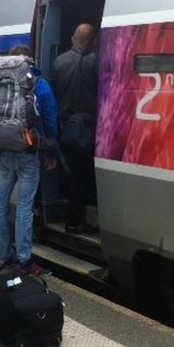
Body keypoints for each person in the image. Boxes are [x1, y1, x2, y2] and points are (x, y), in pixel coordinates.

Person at [0, 45, 58, 277]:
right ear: (29, 60)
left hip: (3, 149)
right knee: (24, 205)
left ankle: (4, 255)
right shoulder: (38, 84)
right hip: (29, 151)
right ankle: (24, 260)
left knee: (0, 203)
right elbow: (50, 117)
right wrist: (51, 150)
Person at [50, 23, 99, 234]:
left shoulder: (58, 62)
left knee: (71, 175)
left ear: (72, 39)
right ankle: (74, 222)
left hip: (64, 128)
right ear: (93, 41)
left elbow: (53, 96)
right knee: (81, 177)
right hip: (86, 130)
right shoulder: (95, 62)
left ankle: (68, 214)